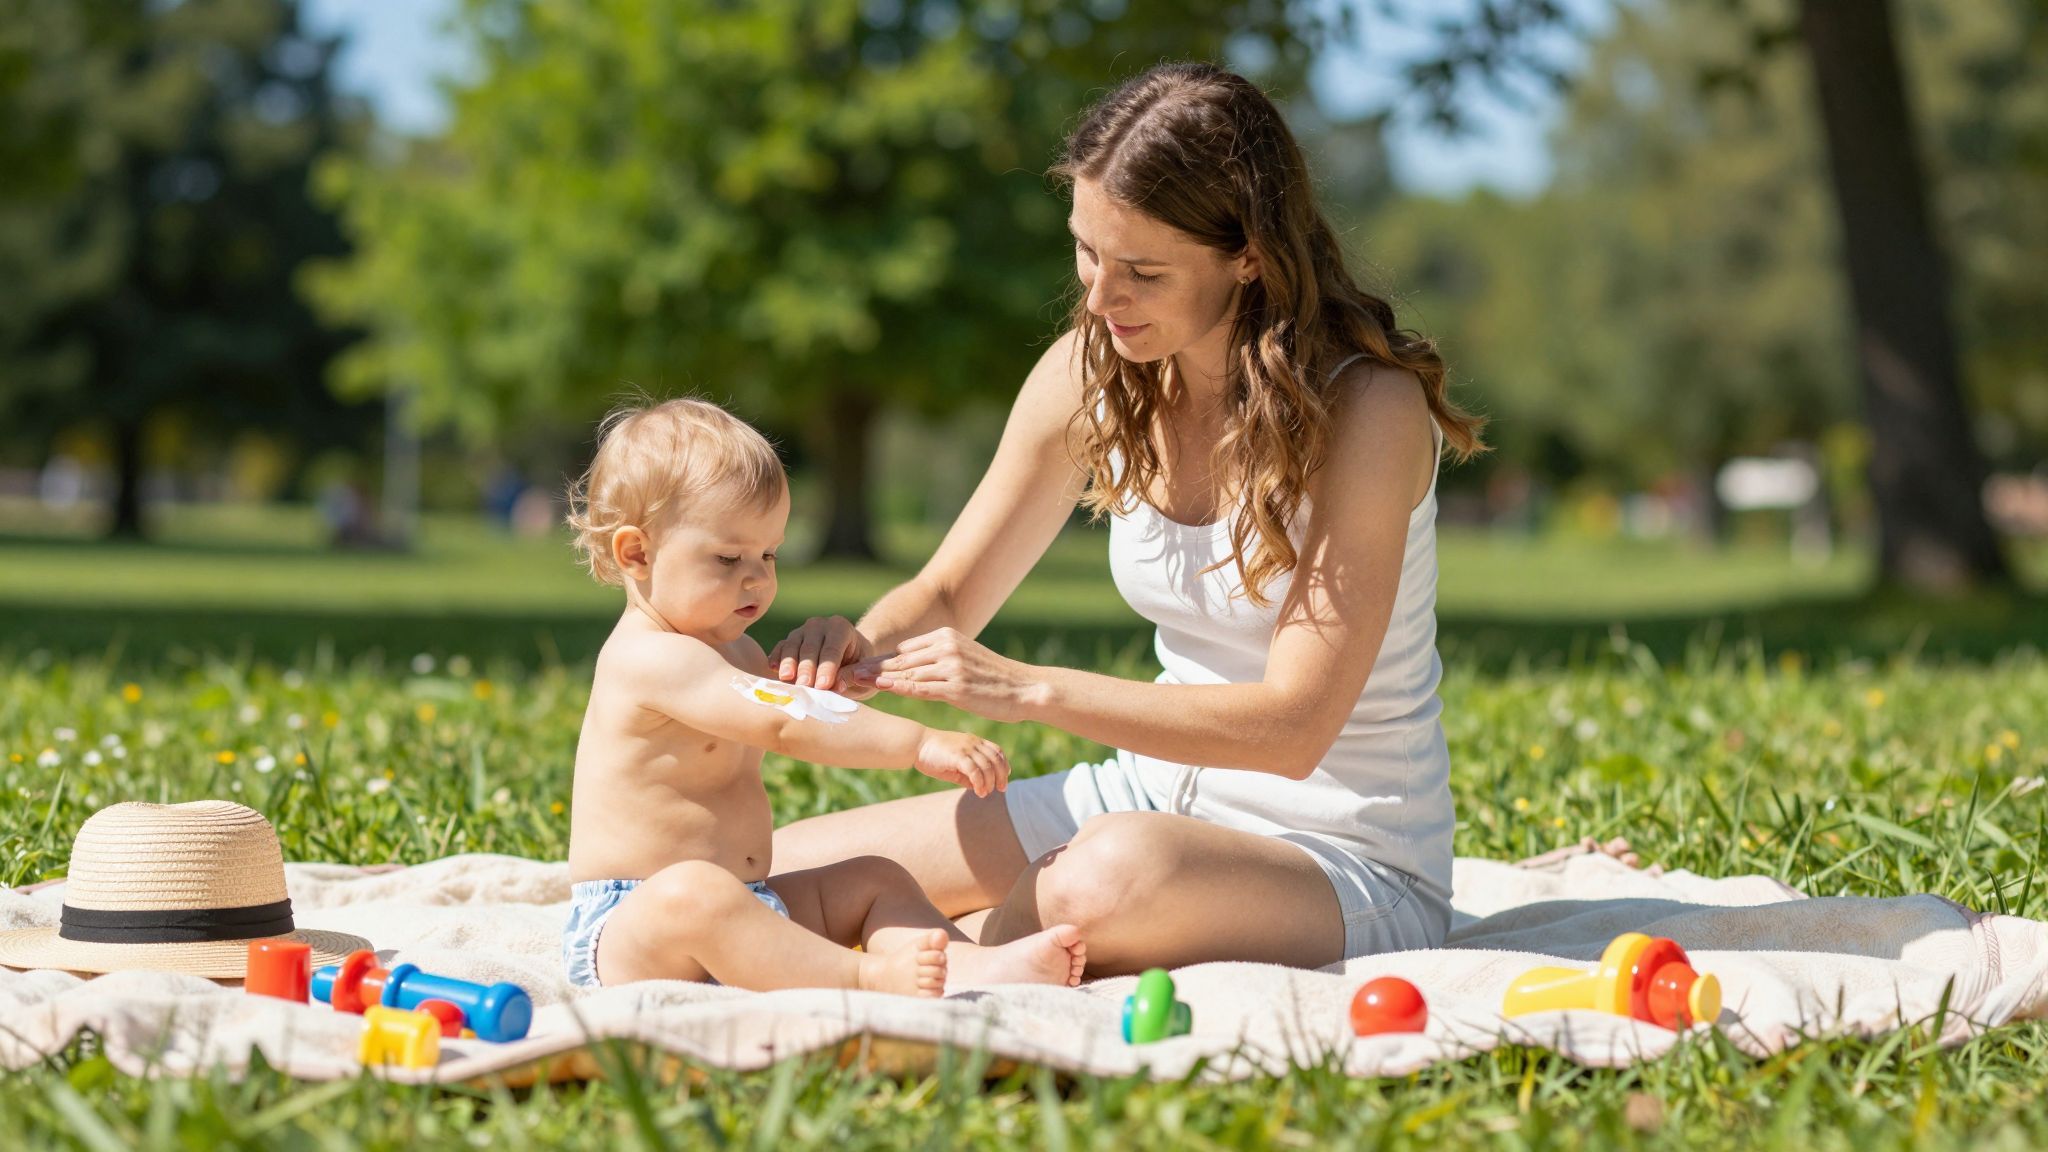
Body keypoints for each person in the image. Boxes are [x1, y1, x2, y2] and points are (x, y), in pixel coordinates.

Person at [769, 61, 1488, 975]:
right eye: (1087, 252)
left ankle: (937, 961)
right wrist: (856, 649)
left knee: (1102, 880)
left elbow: (1294, 726)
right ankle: (934, 948)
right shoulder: (1092, 372)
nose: (1100, 299)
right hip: (1144, 798)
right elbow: (949, 591)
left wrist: (1029, 690)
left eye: (1143, 271)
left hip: (1341, 857)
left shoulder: (1369, 410)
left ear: (1250, 254)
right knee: (770, 877)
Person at [560, 397, 1086, 994]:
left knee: (876, 879)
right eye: (728, 558)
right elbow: (786, 723)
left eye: (769, 553)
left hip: (749, 901)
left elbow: (800, 709)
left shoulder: (739, 654)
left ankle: (975, 969)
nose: (758, 577)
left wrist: (827, 677)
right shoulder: (650, 658)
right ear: (636, 553)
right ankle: (865, 976)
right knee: (695, 889)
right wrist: (917, 742)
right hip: (639, 921)